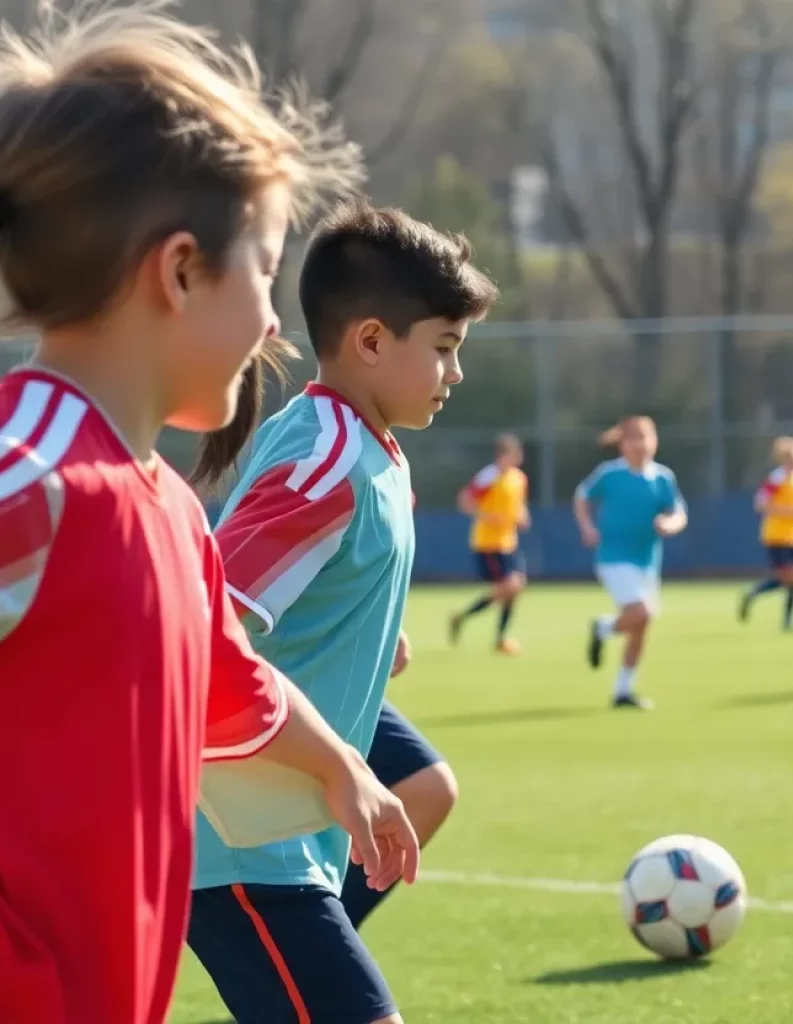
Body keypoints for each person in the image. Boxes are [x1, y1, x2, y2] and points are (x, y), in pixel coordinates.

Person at [0, 8, 417, 1024]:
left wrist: (339, 769)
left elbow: (233, 685)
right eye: (265, 270)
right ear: (180, 271)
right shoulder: (39, 477)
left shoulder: (172, 516)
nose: (276, 323)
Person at [187, 200, 497, 1024]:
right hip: (240, 840)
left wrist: (366, 624)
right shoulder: (328, 462)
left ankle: (305, 978)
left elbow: (304, 578)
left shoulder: (365, 445)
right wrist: (333, 768)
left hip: (287, 815)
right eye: (444, 348)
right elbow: (208, 630)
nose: (456, 373)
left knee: (424, 787)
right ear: (369, 341)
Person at [573, 416, 688, 710]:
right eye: (633, 439)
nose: (640, 445)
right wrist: (586, 526)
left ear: (655, 441)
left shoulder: (663, 478)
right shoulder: (610, 474)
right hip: (613, 558)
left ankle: (623, 689)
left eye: (645, 438)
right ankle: (604, 629)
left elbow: (678, 513)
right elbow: (582, 496)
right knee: (643, 613)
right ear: (622, 445)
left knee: (640, 626)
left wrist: (669, 524)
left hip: (648, 562)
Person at [450, 433, 530, 653]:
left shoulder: (519, 478)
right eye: (513, 454)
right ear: (502, 455)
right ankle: (472, 623)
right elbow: (465, 500)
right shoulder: (489, 476)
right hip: (488, 543)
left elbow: (518, 505)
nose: (517, 458)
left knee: (513, 589)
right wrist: (486, 516)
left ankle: (495, 636)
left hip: (508, 542)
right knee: (510, 587)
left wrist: (522, 516)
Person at [739, 436, 793, 631]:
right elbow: (761, 503)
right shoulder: (777, 478)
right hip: (776, 535)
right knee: (785, 577)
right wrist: (788, 511)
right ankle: (753, 593)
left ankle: (788, 619)